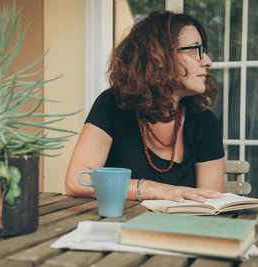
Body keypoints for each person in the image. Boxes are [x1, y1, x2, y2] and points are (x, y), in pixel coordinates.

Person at [65, 11, 225, 203]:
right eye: (193, 49)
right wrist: (151, 188)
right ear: (158, 58)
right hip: (118, 227)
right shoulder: (113, 105)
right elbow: (77, 181)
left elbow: (211, 203)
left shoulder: (204, 122)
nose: (208, 61)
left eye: (203, 50)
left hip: (179, 230)